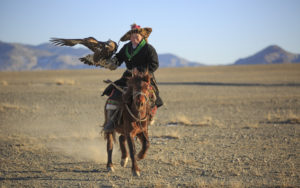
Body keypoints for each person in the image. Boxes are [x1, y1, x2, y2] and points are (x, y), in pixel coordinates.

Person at [101, 23, 163, 132]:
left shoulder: (148, 48)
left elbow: (155, 64)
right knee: (114, 93)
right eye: (132, 36)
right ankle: (111, 121)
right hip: (128, 77)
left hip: (145, 78)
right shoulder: (126, 48)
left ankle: (149, 117)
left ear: (142, 36)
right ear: (129, 37)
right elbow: (119, 58)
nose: (134, 38)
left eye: (137, 36)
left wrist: (140, 69)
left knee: (153, 96)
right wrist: (111, 63)